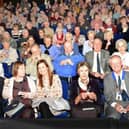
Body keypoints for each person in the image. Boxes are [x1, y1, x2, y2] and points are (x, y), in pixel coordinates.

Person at [104, 55, 129, 120]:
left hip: (128, 102)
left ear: (121, 63)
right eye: (113, 64)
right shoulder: (107, 78)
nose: (115, 65)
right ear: (110, 65)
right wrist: (116, 105)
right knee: (113, 118)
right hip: (114, 103)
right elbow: (108, 97)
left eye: (117, 63)